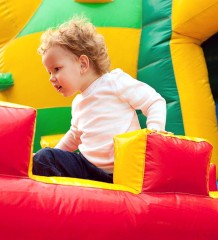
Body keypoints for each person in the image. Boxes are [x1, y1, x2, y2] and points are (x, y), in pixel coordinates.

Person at [33, 16, 168, 183]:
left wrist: (155, 130)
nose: (51, 78)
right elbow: (74, 136)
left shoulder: (114, 82)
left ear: (83, 64)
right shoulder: (78, 103)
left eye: (56, 69)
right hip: (88, 168)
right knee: (43, 159)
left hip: (124, 168)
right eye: (49, 72)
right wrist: (52, 155)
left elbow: (154, 101)